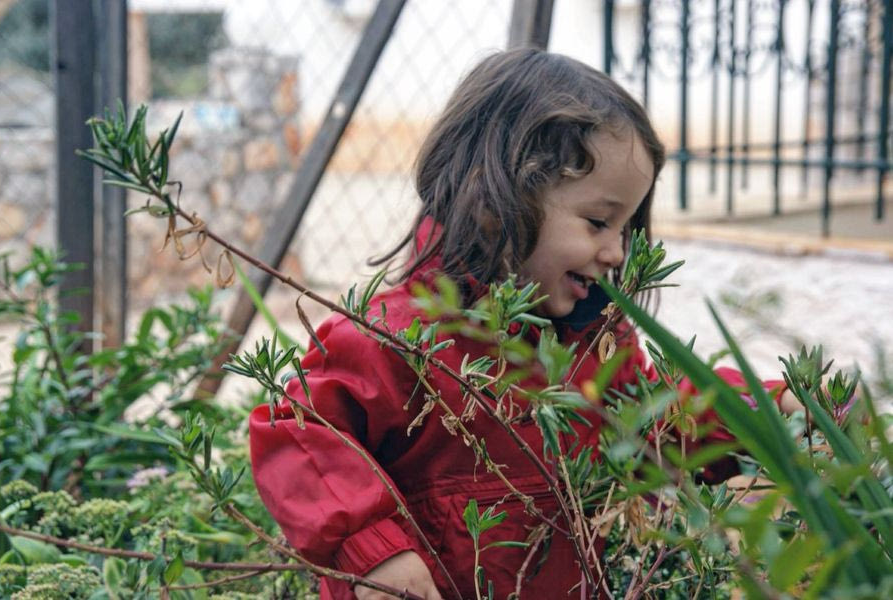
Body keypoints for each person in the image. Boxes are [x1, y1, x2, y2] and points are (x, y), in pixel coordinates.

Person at [249, 48, 787, 599]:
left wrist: (771, 414)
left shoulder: (592, 344)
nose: (616, 252)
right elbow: (297, 433)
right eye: (599, 221)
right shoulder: (396, 341)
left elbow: (659, 426)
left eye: (626, 229)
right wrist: (370, 552)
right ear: (492, 197)